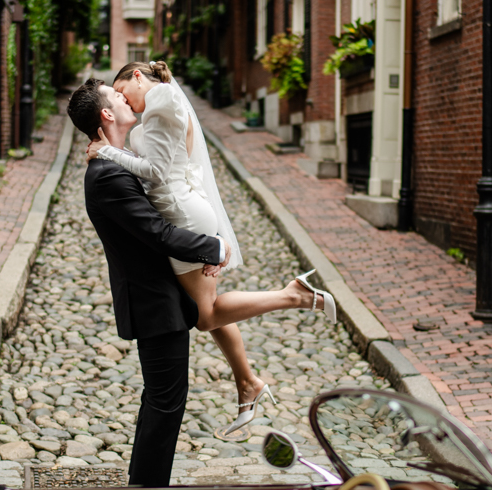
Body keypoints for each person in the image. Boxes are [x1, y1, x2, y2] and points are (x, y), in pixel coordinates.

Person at [85, 61, 336, 440]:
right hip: (188, 210)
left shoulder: (162, 103)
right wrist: (211, 227)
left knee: (207, 315)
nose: (124, 100)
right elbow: (188, 170)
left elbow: (154, 172)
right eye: (117, 97)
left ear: (138, 76)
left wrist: (108, 153)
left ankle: (293, 297)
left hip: (183, 219)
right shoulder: (164, 103)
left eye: (123, 91)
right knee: (206, 311)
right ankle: (247, 382)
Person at [68, 76, 229, 486]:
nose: (124, 98)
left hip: (161, 299)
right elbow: (157, 232)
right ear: (106, 114)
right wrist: (212, 247)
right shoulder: (106, 174)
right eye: (116, 97)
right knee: (165, 403)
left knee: (162, 401)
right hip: (152, 302)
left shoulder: (116, 160)